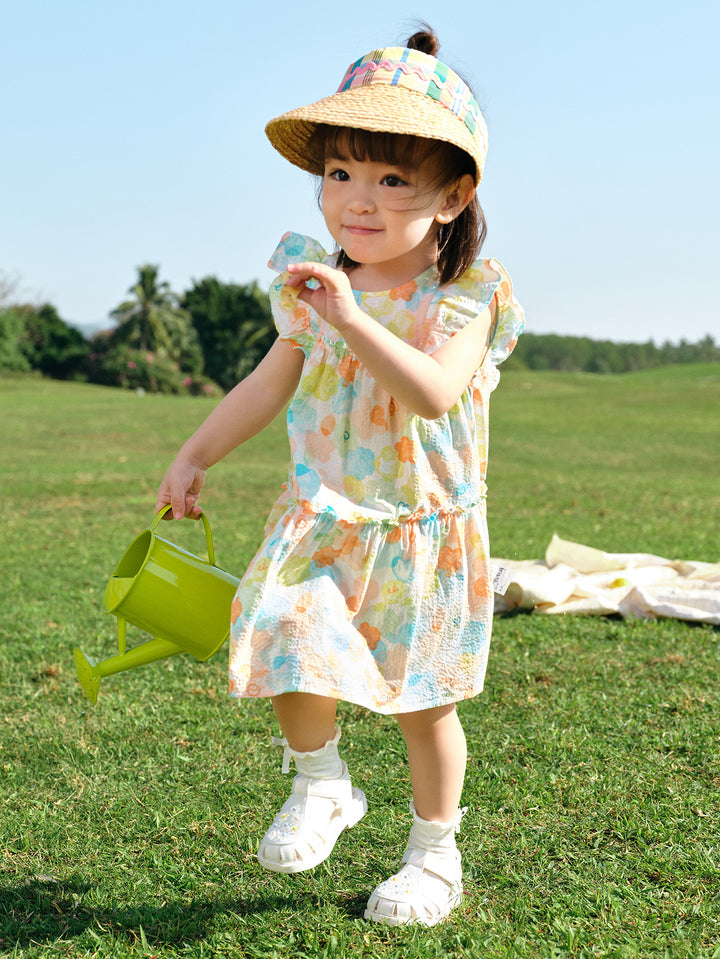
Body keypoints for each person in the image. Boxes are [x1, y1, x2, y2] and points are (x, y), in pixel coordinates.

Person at [155, 26, 524, 927]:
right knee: (285, 637)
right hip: (324, 514)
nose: (359, 200)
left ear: (452, 194)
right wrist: (196, 451)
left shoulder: (468, 291)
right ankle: (322, 782)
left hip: (422, 525)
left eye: (393, 179)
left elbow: (434, 393)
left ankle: (435, 854)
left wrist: (357, 319)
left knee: (422, 702)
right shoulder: (311, 286)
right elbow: (268, 381)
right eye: (342, 173)